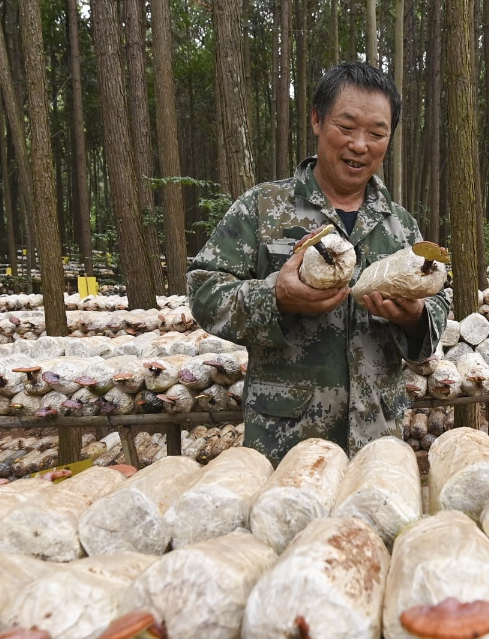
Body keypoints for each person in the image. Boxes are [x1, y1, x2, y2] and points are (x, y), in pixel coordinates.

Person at [187, 62, 450, 464]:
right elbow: (204, 290)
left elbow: (437, 310)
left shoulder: (401, 226)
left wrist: (413, 316)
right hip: (286, 440)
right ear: (316, 120)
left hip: (376, 438)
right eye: (346, 127)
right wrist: (274, 296)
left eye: (377, 133)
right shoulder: (262, 208)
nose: (360, 145)